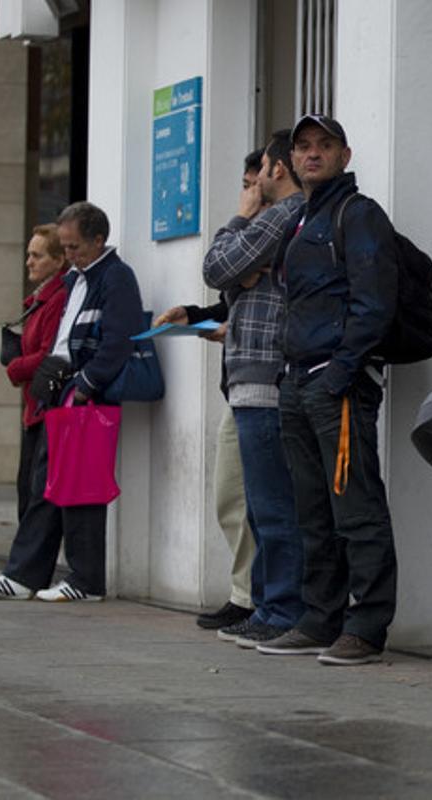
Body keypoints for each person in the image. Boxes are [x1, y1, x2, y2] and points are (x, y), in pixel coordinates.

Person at [254, 115, 400, 667]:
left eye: (325, 146)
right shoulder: (298, 220)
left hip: (336, 386)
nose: (313, 154)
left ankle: (366, 626)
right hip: (297, 383)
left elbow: (374, 305)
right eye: (304, 147)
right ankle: (320, 618)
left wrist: (340, 374)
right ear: (291, 160)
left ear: (344, 154)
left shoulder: (357, 215)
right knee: (311, 510)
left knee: (356, 510)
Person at [0, 201, 145, 602]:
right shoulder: (78, 279)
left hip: (80, 390)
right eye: (64, 247)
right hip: (60, 388)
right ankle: (25, 575)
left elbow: (119, 340)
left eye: (74, 247)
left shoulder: (115, 278)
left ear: (99, 240)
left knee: (78, 487)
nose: (68, 256)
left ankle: (83, 580)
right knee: (48, 485)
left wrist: (84, 384)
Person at [201, 130, 307, 649]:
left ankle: (281, 608)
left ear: (276, 171)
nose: (256, 180)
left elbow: (216, 266)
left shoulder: (280, 215)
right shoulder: (286, 219)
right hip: (252, 375)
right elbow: (228, 279)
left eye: (261, 169)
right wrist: (237, 277)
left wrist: (242, 215)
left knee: (272, 505)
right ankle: (267, 605)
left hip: (265, 375)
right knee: (262, 506)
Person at [154, 148, 267, 631]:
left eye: (251, 182)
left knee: (263, 504)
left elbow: (224, 274)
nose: (245, 192)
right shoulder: (258, 236)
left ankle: (260, 599)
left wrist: (241, 217)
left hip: (269, 387)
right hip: (241, 386)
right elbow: (232, 302)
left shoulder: (271, 231)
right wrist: (196, 316)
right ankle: (247, 594)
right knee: (232, 498)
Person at [4, 226, 70, 523]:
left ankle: (29, 566)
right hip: (34, 408)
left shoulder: (57, 299)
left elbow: (49, 352)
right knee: (26, 489)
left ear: (58, 261)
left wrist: (16, 367)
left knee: (36, 493)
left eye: (37, 255)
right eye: (28, 254)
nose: (29, 261)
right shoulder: (39, 298)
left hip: (47, 409)